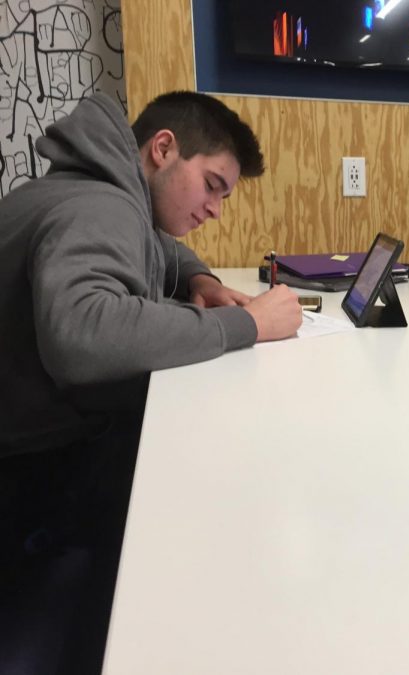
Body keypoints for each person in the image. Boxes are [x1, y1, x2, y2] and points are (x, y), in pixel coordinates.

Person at [0, 91, 302, 673]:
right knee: (217, 492)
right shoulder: (99, 206)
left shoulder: (106, 197)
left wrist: (203, 277)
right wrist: (246, 323)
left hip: (34, 442)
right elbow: (84, 333)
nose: (217, 208)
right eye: (213, 184)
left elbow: (158, 248)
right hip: (26, 470)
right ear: (163, 149)